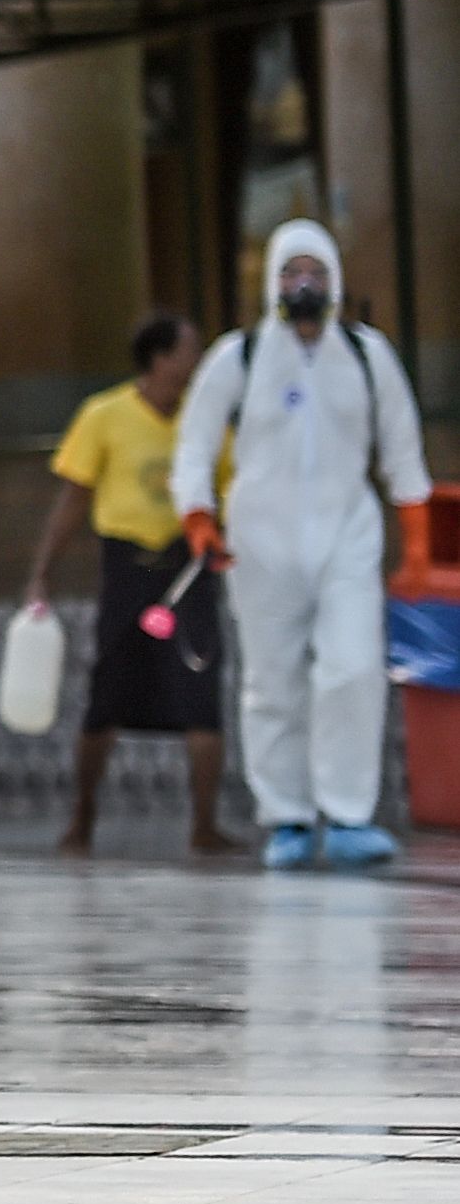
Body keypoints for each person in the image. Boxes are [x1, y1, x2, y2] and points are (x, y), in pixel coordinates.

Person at [170, 217, 433, 872]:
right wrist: (200, 522)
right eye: (291, 273)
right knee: (272, 679)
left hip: (348, 532)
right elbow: (194, 448)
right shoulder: (240, 358)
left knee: (351, 668)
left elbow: (403, 455)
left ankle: (346, 814)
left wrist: (418, 548)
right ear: (272, 284)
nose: (304, 284)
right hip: (261, 541)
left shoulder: (370, 357)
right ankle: (287, 815)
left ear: (334, 278)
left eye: (314, 272)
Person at [23, 312, 230, 858]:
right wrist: (42, 569)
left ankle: (204, 825)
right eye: (188, 351)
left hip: (188, 568)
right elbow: (73, 499)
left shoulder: (206, 422)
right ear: (159, 359)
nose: (197, 363)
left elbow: (235, 490)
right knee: (106, 698)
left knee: (201, 691)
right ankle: (82, 819)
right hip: (127, 570)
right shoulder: (104, 415)